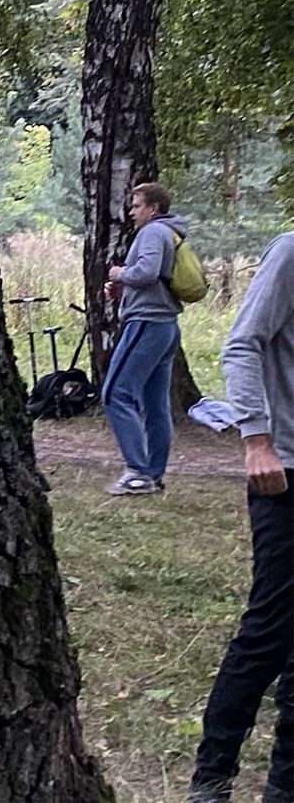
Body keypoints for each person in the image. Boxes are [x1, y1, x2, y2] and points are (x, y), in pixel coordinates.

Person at [189, 230, 294, 803]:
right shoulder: (292, 252)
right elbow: (241, 344)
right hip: (285, 471)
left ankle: (284, 786)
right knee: (270, 629)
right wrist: (257, 438)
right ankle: (212, 776)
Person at [102, 181, 189, 496]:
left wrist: (119, 275)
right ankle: (153, 474)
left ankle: (138, 472)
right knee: (155, 404)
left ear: (154, 208)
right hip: (165, 327)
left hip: (147, 324)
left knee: (115, 393)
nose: (131, 211)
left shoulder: (153, 232)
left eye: (137, 205)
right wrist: (124, 290)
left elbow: (147, 272)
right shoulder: (171, 233)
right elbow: (154, 277)